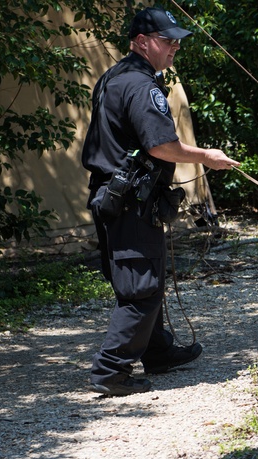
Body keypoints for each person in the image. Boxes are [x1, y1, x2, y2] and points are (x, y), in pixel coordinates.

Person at [82, 7, 239, 396]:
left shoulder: (114, 76)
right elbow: (161, 145)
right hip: (130, 201)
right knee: (142, 288)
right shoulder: (140, 85)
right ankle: (110, 371)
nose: (175, 47)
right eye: (167, 40)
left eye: (177, 40)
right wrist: (207, 157)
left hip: (115, 196)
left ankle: (158, 352)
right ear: (140, 42)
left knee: (140, 282)